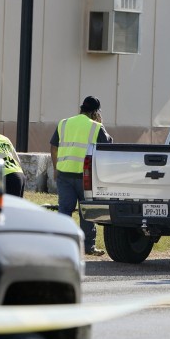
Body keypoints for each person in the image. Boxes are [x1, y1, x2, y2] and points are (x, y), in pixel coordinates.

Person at [51, 96, 112, 257]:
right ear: (94, 112)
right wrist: (101, 124)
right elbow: (108, 147)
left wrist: (55, 167)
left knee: (64, 210)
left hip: (64, 174)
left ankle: (61, 245)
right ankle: (88, 247)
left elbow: (53, 145)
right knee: (87, 213)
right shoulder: (96, 126)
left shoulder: (64, 123)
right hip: (85, 177)